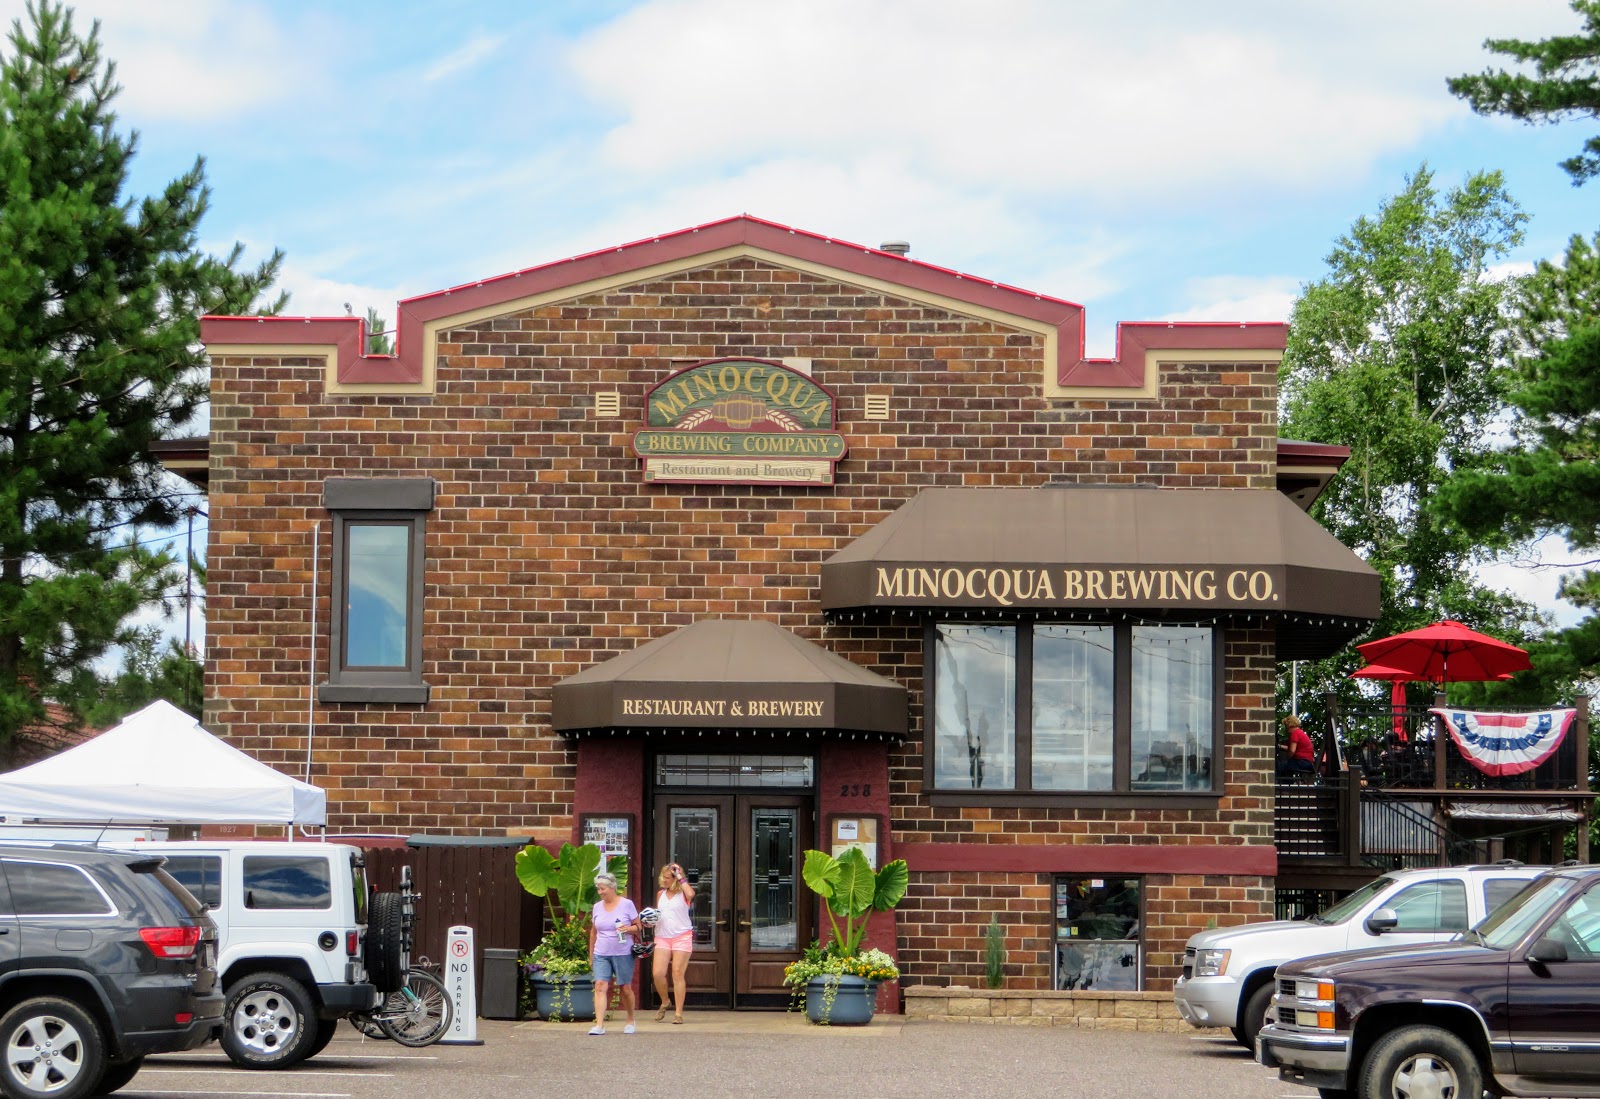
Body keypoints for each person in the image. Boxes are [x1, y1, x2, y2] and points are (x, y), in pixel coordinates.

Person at [587, 872, 641, 1035]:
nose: (600, 892)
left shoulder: (626, 904)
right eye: (598, 889)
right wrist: (591, 955)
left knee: (625, 987)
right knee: (600, 986)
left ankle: (630, 1019)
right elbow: (593, 932)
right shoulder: (597, 907)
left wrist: (628, 929)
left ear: (612, 888)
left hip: (623, 952)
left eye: (602, 888)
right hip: (601, 953)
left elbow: (639, 926)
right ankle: (599, 1025)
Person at [650, 861, 697, 1024]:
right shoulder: (660, 894)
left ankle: (678, 1013)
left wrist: (680, 876)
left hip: (682, 936)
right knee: (657, 973)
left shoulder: (683, 894)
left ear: (675, 878)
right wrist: (651, 921)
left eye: (668, 877)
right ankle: (665, 1001)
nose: (664, 880)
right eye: (663, 877)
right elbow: (660, 914)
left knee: (677, 972)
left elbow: (691, 894)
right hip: (662, 935)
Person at [1277, 714, 1315, 778]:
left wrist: (1287, 758)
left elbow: (1292, 751)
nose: (1286, 729)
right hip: (1308, 762)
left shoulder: (1295, 733)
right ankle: (1287, 784)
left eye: (1286, 726)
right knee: (1285, 766)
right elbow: (1290, 747)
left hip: (1302, 762)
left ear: (1289, 725)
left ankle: (1284, 785)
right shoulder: (1300, 732)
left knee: (1280, 766)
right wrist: (1280, 746)